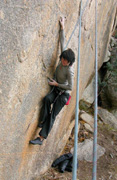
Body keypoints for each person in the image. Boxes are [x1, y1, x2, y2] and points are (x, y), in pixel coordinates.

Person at [29, 17, 75, 145]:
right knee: (47, 99)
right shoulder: (63, 57)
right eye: (63, 59)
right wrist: (63, 27)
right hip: (57, 89)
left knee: (53, 114)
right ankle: (42, 120)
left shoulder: (69, 70)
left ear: (70, 62)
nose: (63, 61)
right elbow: (62, 41)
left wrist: (56, 84)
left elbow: (70, 86)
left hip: (63, 95)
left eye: (66, 61)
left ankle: (41, 138)